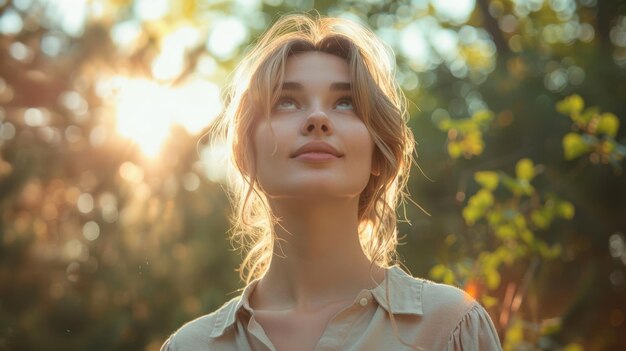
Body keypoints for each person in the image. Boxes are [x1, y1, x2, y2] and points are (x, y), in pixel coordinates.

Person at [161, 13, 503, 351]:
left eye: (345, 103)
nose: (317, 119)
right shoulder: (190, 346)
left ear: (377, 153)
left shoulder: (450, 327)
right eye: (286, 102)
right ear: (246, 152)